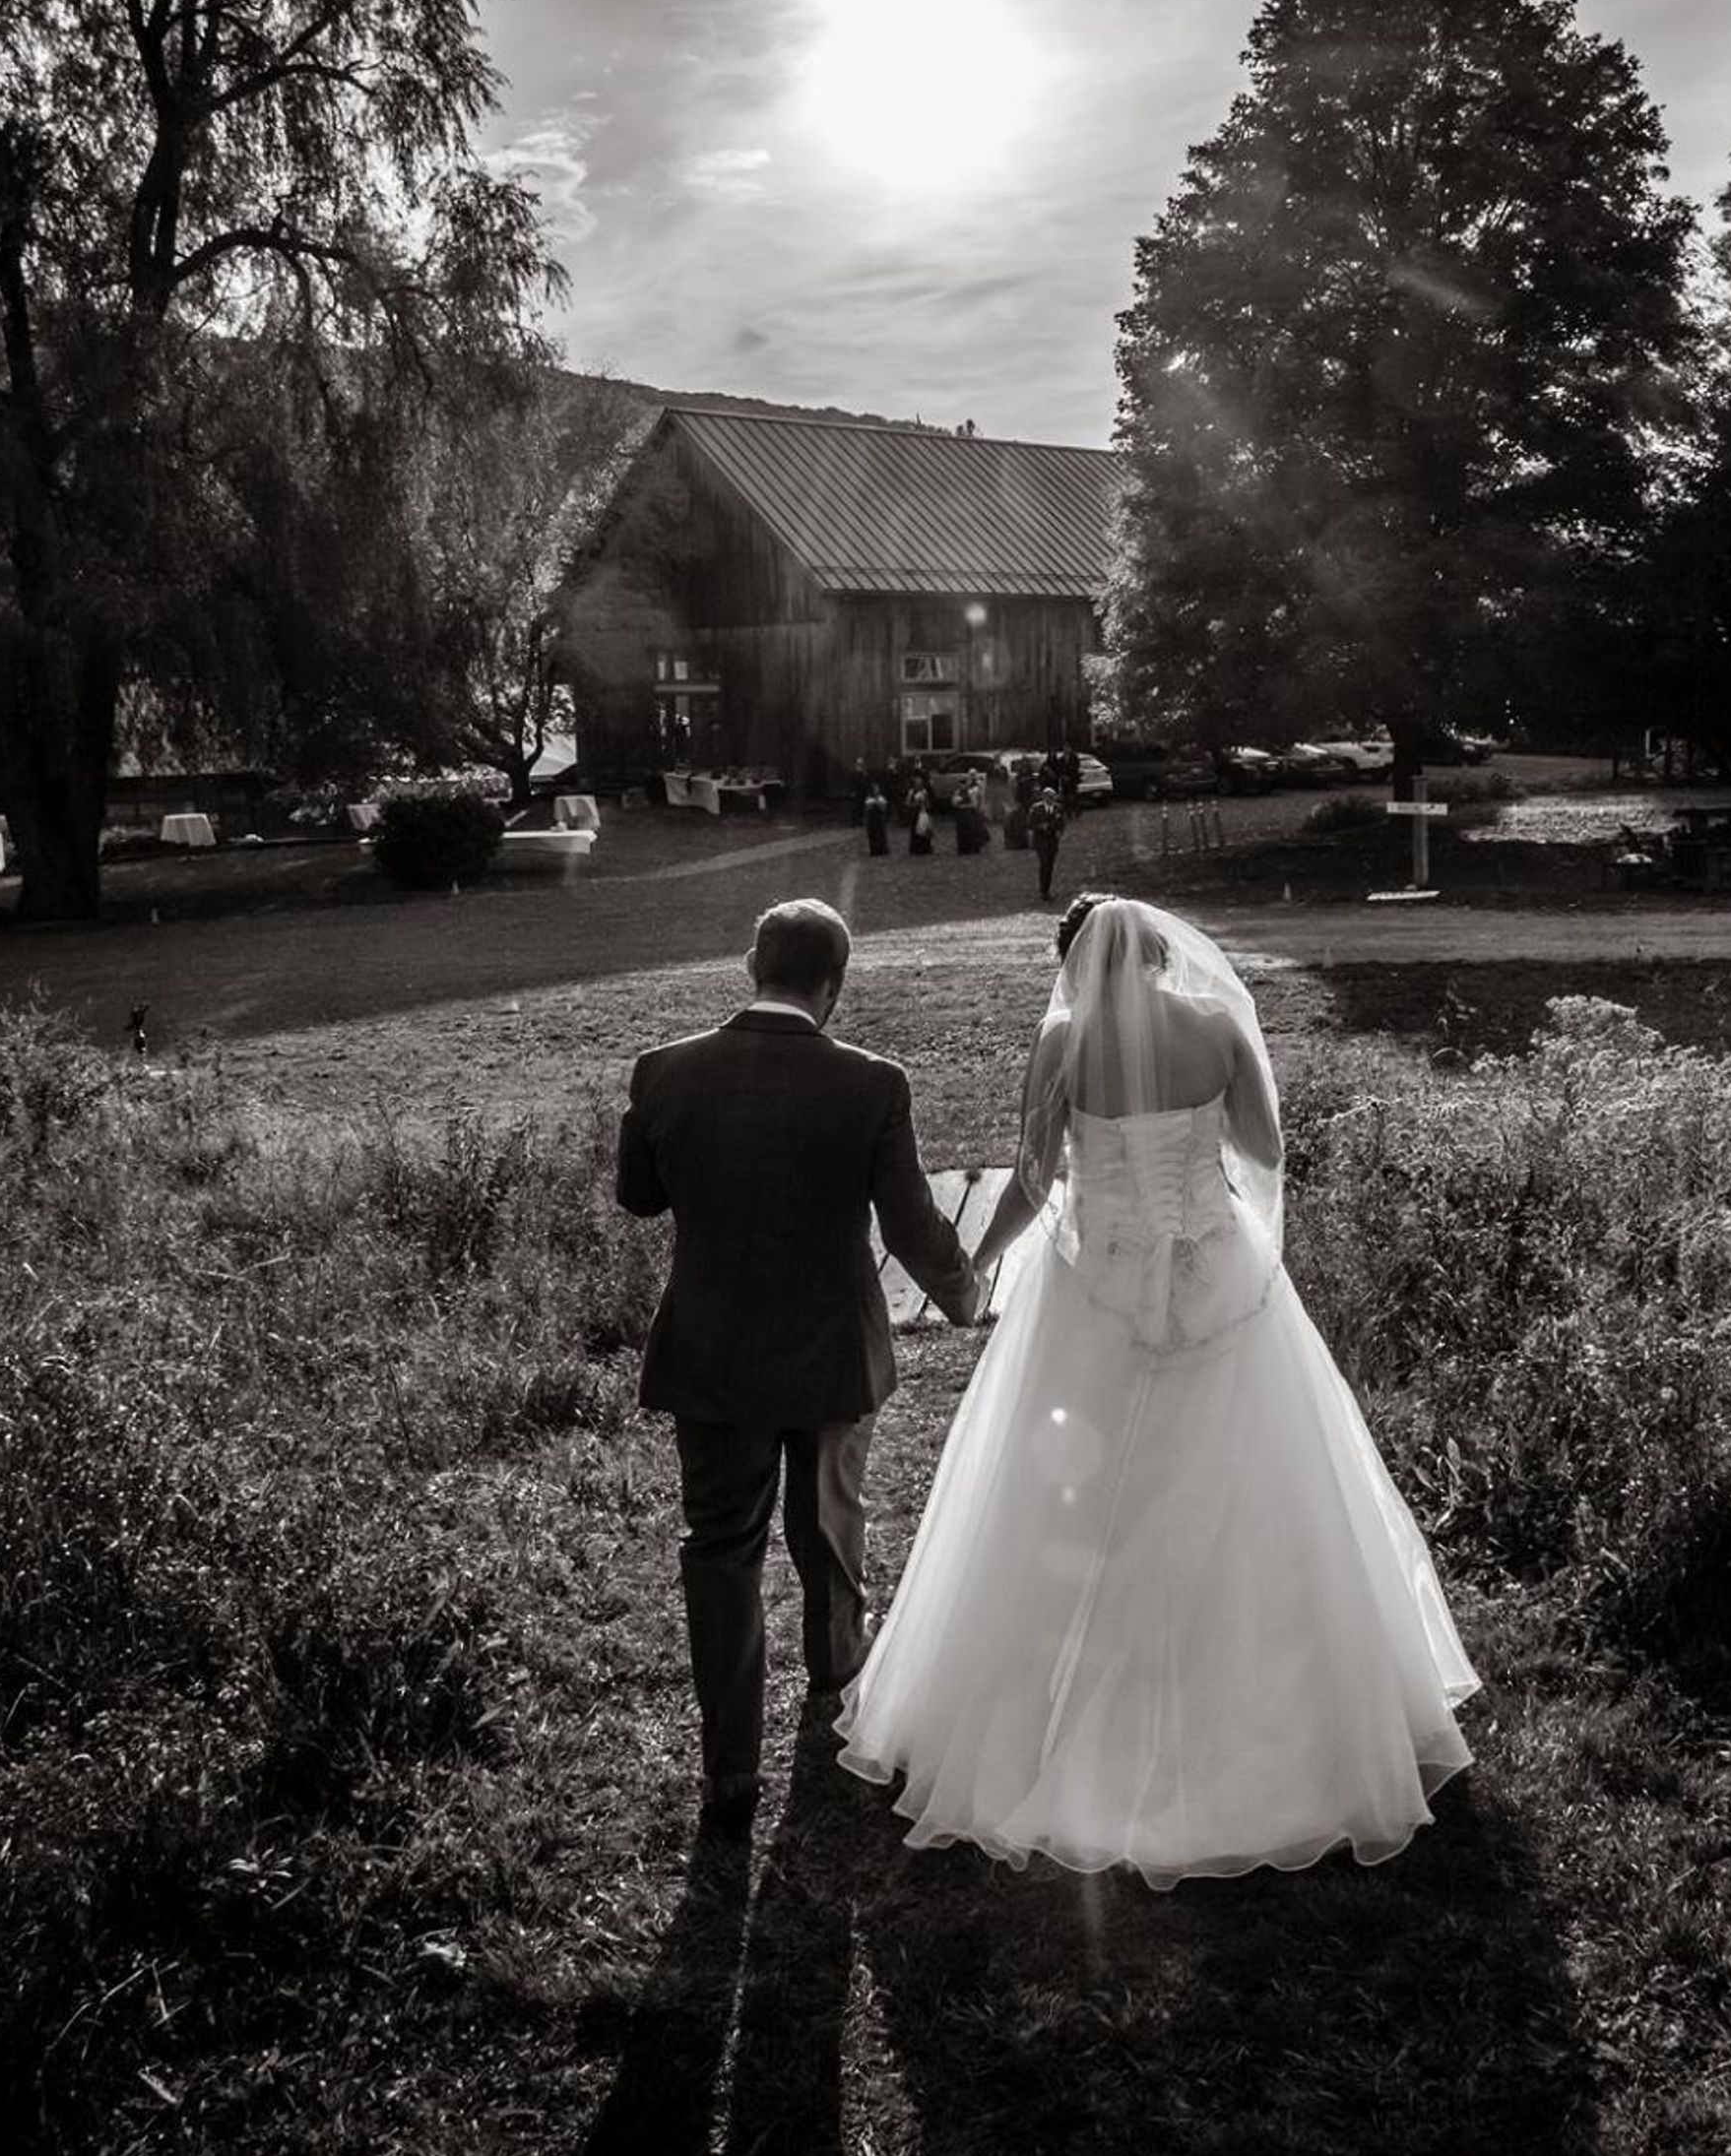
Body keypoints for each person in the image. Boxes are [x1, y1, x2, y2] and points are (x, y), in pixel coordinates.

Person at [837, 894, 1478, 1886]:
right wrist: (1197, 1161)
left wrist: (973, 1272)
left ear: (1076, 962)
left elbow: (1033, 1179)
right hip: (1216, 1273)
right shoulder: (1218, 1024)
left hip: (1095, 1286)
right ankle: (1282, 1711)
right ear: (1158, 955)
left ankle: (1057, 1715)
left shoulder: (1062, 1045)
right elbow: (1262, 1154)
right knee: (1255, 1480)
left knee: (1065, 1497)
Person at [618, 900, 985, 1833]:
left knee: (719, 1547)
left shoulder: (663, 1072)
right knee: (828, 1527)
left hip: (712, 1355)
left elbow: (638, 1197)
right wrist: (968, 1296)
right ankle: (834, 1698)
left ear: (752, 964)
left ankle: (729, 1767)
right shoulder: (871, 1084)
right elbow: (909, 1224)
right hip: (830, 1351)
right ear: (835, 984)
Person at [1026, 784, 1065, 902]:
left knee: (1050, 865)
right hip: (1041, 840)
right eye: (1048, 797)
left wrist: (1060, 831)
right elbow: (1029, 824)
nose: (1051, 799)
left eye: (1052, 797)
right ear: (1043, 797)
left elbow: (1062, 823)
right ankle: (1044, 891)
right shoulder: (1036, 808)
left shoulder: (1058, 808)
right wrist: (1040, 826)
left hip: (1053, 840)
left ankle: (1046, 888)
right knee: (1044, 864)